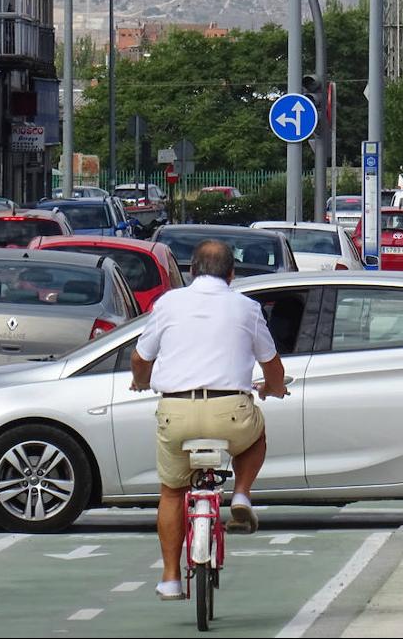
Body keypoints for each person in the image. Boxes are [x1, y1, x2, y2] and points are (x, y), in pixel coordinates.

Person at [129, 239, 288, 601]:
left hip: (176, 413)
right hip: (230, 411)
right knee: (256, 434)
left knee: (172, 491)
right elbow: (271, 365)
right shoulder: (247, 308)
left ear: (191, 272)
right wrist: (273, 389)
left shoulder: (168, 303)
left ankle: (170, 578)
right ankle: (243, 495)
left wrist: (141, 382)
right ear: (232, 274)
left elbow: (140, 359)